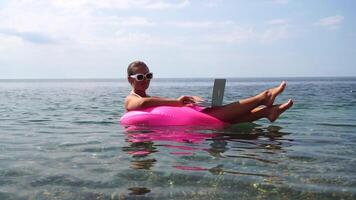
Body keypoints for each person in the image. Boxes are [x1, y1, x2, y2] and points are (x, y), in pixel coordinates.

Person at [124, 61, 293, 124]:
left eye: (148, 75)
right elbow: (142, 104)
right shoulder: (131, 99)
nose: (146, 79)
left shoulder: (150, 96)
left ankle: (267, 111)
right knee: (218, 114)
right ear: (130, 79)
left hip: (188, 122)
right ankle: (263, 98)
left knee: (217, 112)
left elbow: (155, 102)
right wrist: (177, 102)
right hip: (150, 136)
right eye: (140, 76)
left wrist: (191, 100)